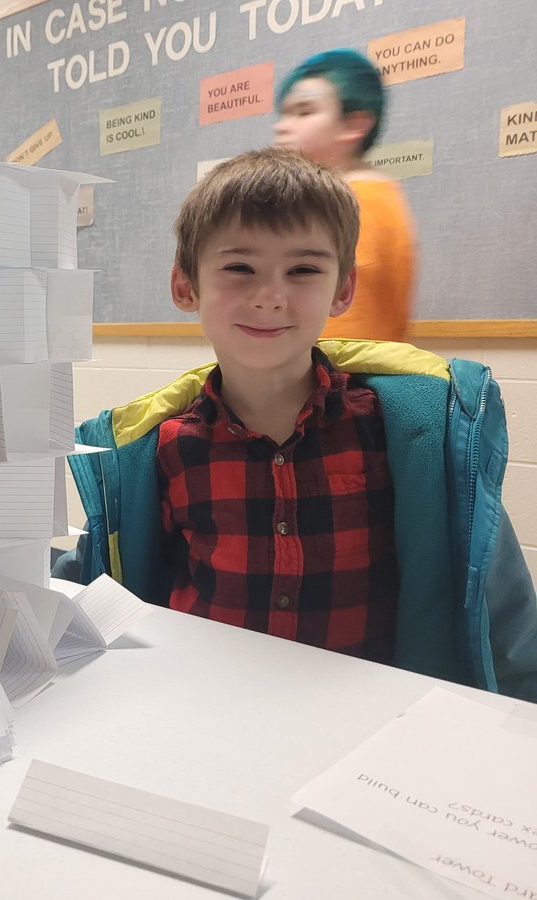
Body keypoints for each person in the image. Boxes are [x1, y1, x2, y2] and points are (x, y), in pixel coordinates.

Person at [58, 149, 536, 701]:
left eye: (303, 269)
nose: (270, 296)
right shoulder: (156, 448)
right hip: (203, 713)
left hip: (368, 729)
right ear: (186, 286)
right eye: (239, 268)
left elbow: (504, 616)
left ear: (343, 289)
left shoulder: (414, 435)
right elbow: (95, 579)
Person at [274, 49, 416, 343]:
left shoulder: (351, 207)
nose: (282, 126)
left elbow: (334, 343)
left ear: (355, 125)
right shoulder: (380, 195)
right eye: (285, 114)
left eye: (304, 112)